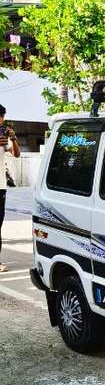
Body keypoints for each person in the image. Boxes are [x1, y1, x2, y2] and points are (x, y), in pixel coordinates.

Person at [0, 104, 20, 273]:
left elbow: (16, 154)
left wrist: (13, 139)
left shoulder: (3, 136)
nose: (2, 120)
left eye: (2, 116)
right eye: (1, 116)